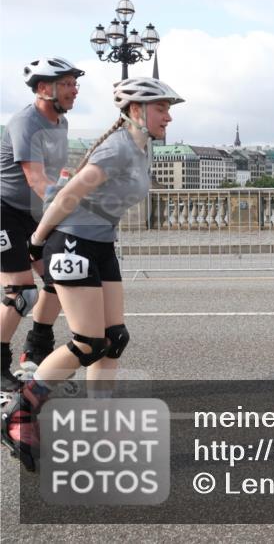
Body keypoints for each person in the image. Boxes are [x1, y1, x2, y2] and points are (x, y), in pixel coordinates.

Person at [1, 77, 184, 471]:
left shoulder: (143, 146)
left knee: (113, 340)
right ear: (136, 110)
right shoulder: (116, 148)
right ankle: (21, 411)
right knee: (87, 343)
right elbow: (68, 196)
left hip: (101, 244)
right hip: (72, 241)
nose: (168, 117)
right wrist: (36, 241)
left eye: (169, 109)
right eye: (161, 108)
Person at [1, 58, 84, 403]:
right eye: (66, 84)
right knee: (21, 291)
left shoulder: (60, 122)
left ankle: (36, 351)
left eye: (74, 84)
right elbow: (37, 180)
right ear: (42, 88)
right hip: (4, 210)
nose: (74, 90)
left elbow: (54, 174)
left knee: (58, 278)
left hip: (34, 212)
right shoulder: (26, 123)